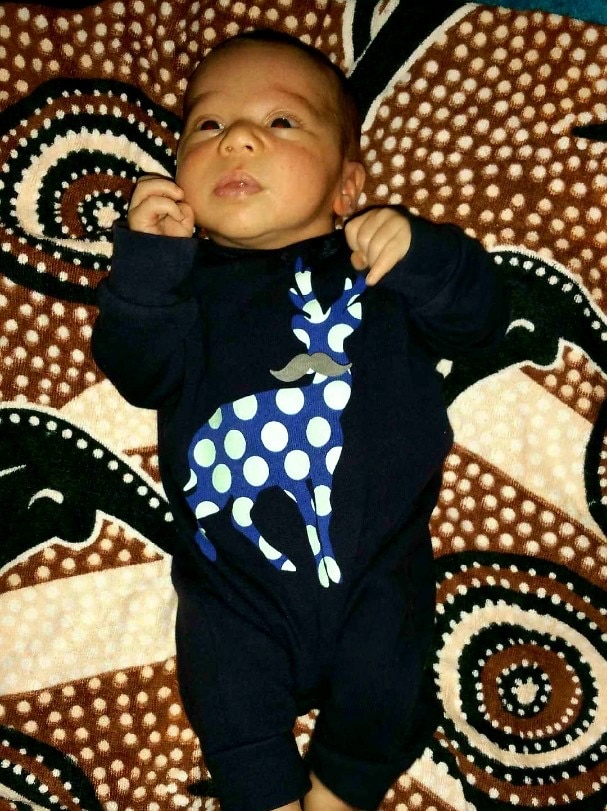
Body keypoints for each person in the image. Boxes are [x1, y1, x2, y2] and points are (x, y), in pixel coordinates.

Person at [92, 28, 509, 811]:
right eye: (206, 126)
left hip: (376, 566)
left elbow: (480, 320)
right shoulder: (191, 294)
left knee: (388, 673)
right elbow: (136, 370)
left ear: (346, 185)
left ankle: (342, 788)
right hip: (233, 583)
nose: (238, 138)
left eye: (280, 123)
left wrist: (422, 253)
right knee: (225, 691)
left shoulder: (376, 264)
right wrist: (147, 267)